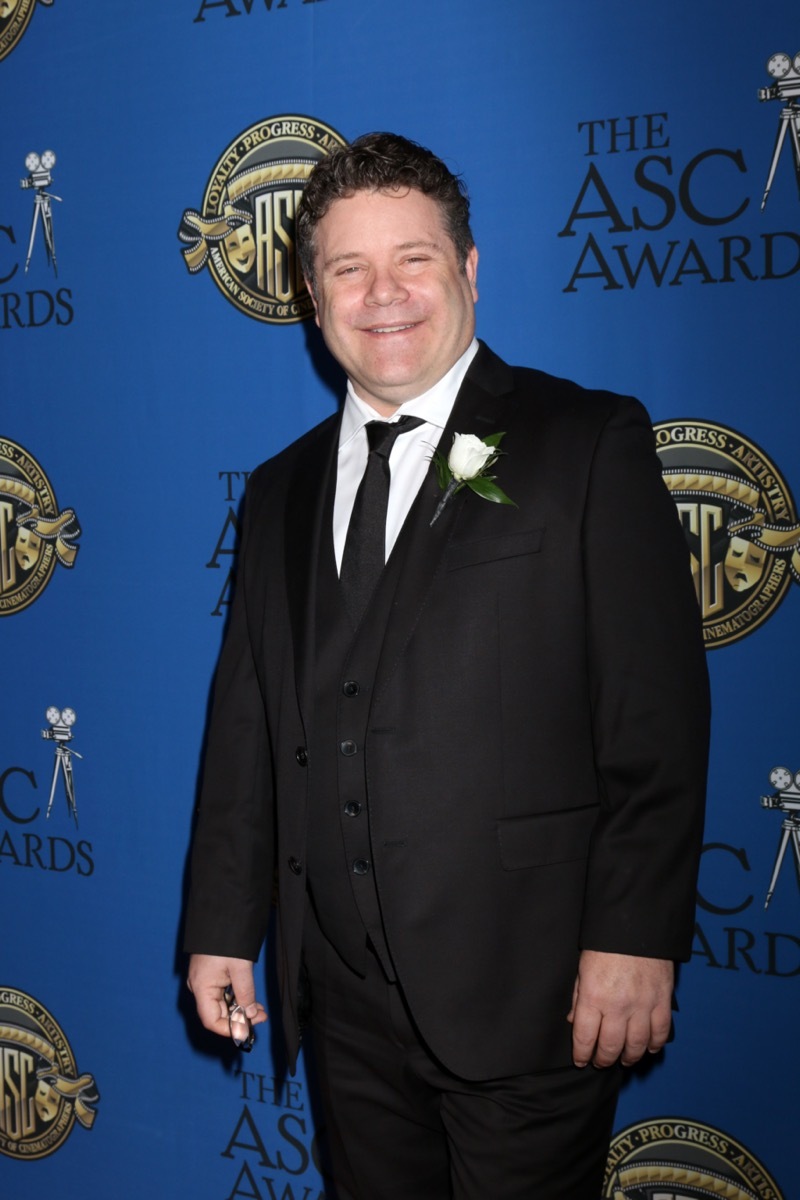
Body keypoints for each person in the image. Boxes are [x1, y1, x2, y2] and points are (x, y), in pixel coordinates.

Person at [184, 132, 710, 1199]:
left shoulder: (582, 441)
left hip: (532, 986)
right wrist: (221, 929)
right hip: (341, 999)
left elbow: (653, 717)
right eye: (347, 268)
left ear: (468, 269)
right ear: (310, 295)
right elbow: (246, 721)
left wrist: (632, 937)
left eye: (412, 259)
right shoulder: (279, 488)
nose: (382, 294)